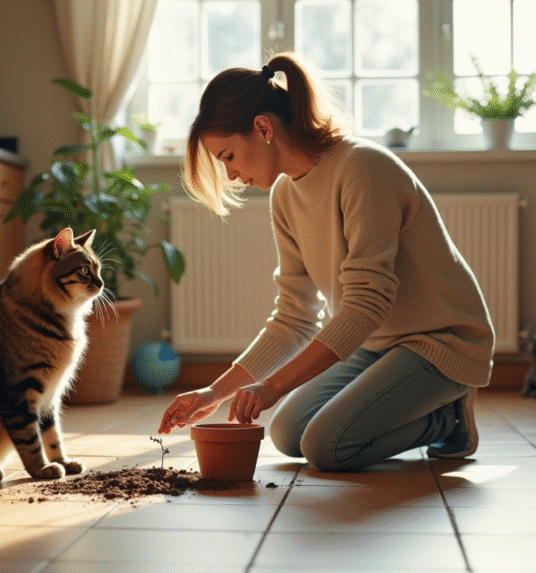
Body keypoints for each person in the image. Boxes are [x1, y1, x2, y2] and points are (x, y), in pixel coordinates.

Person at [157, 52, 495, 471]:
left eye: (228, 156)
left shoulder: (363, 169)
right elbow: (294, 316)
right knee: (287, 434)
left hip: (441, 341)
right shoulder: (284, 197)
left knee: (325, 446)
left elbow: (365, 305)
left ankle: (449, 419)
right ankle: (431, 413)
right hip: (377, 345)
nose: (230, 175)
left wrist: (274, 386)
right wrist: (213, 393)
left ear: (263, 127)